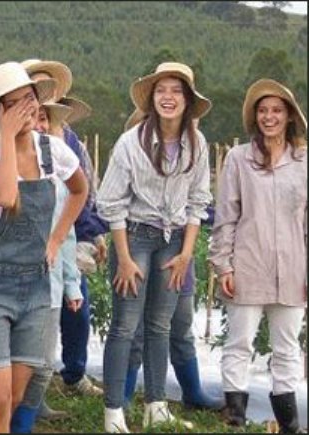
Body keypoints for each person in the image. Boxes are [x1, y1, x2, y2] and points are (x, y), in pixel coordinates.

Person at [0, 62, 87, 433]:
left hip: (35, 286)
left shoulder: (55, 150)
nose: (26, 110)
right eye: (13, 105)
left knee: (15, 400)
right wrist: (10, 137)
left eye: (29, 100)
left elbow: (80, 190)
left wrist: (57, 238)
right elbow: (6, 195)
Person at [97, 62, 212, 432]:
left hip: (175, 240)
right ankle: (114, 411)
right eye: (161, 90)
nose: (168, 97)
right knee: (125, 325)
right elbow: (110, 202)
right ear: (151, 98)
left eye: (176, 91)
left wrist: (186, 254)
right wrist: (125, 258)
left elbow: (198, 202)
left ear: (188, 100)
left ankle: (156, 405)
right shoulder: (131, 142)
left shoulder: (198, 143)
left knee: (160, 325)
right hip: (134, 236)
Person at [210, 78, 307, 433]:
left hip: (293, 270)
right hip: (248, 265)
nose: (269, 117)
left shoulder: (304, 162)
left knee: (287, 348)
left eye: (276, 111)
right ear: (255, 117)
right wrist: (223, 265)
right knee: (239, 343)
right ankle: (235, 418)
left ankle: (290, 424)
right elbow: (227, 216)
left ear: (289, 116)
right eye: (263, 111)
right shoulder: (238, 159)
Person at [120, 109, 224, 413]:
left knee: (180, 324)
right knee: (137, 329)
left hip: (179, 254)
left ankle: (192, 392)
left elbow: (198, 203)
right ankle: (124, 396)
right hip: (143, 249)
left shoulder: (193, 151)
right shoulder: (137, 148)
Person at [22, 59, 107, 402]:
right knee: (34, 316)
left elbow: (84, 194)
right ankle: (31, 390)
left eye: (49, 86)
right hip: (28, 243)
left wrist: (93, 233)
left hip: (68, 237)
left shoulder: (71, 141)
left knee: (76, 307)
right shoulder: (16, 141)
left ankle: (73, 371)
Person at [11, 102, 86, 433]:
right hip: (9, 281)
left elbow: (66, 235)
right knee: (15, 366)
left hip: (50, 280)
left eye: (43, 118)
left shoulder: (59, 173)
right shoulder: (1, 162)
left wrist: (71, 283)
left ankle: (22, 425)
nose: (37, 124)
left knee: (42, 366)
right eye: (31, 116)